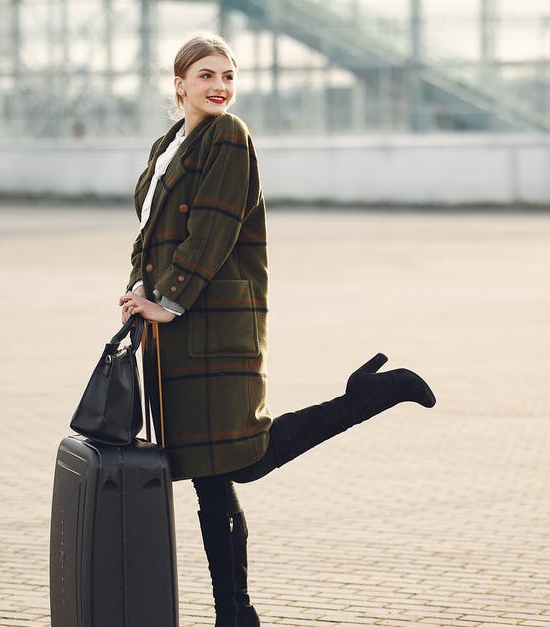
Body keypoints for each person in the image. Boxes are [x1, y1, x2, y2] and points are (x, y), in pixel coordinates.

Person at [118, 33, 436, 627]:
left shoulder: (229, 138)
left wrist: (172, 299)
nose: (220, 87)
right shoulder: (168, 147)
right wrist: (140, 290)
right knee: (209, 474)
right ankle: (235, 614)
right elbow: (150, 235)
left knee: (244, 457)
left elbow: (213, 228)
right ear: (179, 83)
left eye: (229, 76)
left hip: (212, 321)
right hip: (173, 330)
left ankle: (372, 396)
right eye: (207, 75)